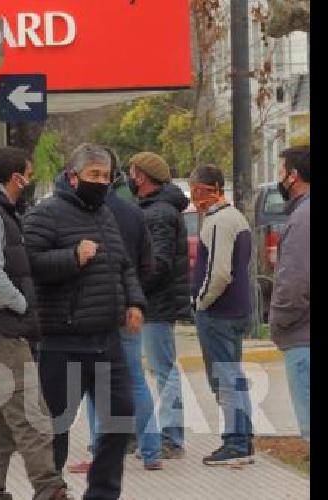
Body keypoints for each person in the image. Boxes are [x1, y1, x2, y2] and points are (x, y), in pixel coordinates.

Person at [23, 143, 146, 499]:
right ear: (73, 176)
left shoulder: (105, 214)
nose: (101, 182)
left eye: (106, 176)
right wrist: (72, 257)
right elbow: (29, 265)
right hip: (64, 341)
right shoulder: (45, 214)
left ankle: (103, 493)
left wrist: (134, 302)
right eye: (94, 175)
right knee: (56, 429)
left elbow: (123, 265)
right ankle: (49, 491)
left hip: (107, 339)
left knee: (120, 419)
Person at [0, 146, 69, 500]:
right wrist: (20, 304)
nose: (30, 181)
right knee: (30, 415)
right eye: (28, 174)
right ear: (15, 177)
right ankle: (50, 489)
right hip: (1, 331)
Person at [62, 145, 160, 474]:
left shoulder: (84, 213)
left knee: (94, 384)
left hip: (97, 310)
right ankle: (151, 449)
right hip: (128, 310)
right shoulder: (134, 213)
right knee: (135, 380)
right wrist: (135, 299)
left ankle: (98, 452)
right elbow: (148, 263)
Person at [188, 165, 256, 466]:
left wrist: (201, 301)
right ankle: (244, 437)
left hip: (219, 312)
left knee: (224, 378)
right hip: (238, 308)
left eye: (197, 189)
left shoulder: (218, 221)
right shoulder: (237, 217)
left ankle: (235, 442)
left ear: (211, 188)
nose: (194, 196)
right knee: (234, 376)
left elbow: (219, 273)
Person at [127, 152, 192, 460]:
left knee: (163, 369)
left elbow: (159, 263)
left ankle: (170, 436)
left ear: (141, 176)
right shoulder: (154, 209)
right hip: (155, 302)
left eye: (131, 171)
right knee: (158, 368)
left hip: (157, 304)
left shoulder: (159, 213)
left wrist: (135, 293)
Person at [269, 145, 310, 443]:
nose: (278, 178)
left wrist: (279, 321)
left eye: (280, 171)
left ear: (293, 176)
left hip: (302, 335)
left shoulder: (302, 218)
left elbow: (295, 282)